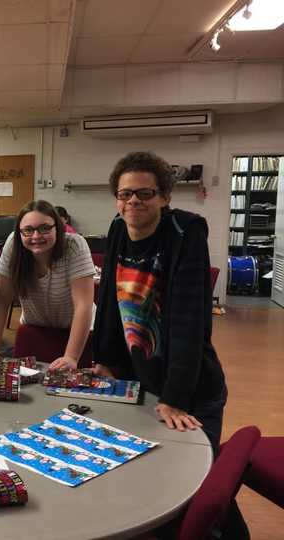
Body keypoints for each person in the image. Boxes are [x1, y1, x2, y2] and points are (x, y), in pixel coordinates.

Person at [92, 151, 227, 451]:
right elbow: (110, 304)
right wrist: (107, 361)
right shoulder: (118, 228)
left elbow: (188, 322)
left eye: (145, 193)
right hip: (142, 383)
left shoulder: (185, 232)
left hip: (190, 391)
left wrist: (175, 398)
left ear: (164, 197)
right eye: (125, 194)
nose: (133, 201)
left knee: (194, 480)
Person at [0, 200, 95, 369]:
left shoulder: (74, 245)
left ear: (58, 227)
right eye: (28, 230)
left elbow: (83, 305)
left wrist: (71, 357)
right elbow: (2, 299)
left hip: (77, 333)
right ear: (20, 231)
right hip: (34, 329)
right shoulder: (13, 244)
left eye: (45, 228)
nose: (36, 236)